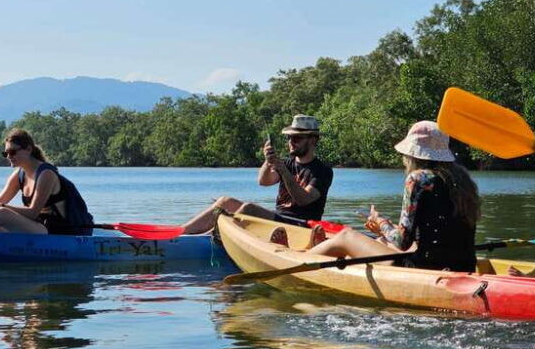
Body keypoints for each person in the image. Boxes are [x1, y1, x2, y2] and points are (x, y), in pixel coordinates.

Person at [306, 120, 480, 272]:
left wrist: (380, 221)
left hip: (425, 269)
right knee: (382, 241)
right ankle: (320, 250)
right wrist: (384, 230)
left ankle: (304, 257)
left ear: (412, 155)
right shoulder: (462, 180)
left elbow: (402, 242)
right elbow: (433, 233)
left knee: (346, 236)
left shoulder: (418, 179)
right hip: (464, 266)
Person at [182, 114, 333, 234]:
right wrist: (268, 161)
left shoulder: (323, 170)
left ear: (313, 140)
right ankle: (182, 232)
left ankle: (212, 236)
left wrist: (283, 171)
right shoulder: (288, 163)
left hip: (301, 225)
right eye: (289, 137)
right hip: (278, 217)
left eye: (297, 138)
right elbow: (264, 181)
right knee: (224, 201)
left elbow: (303, 199)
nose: (291, 142)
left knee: (249, 209)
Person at [0, 128, 94, 235]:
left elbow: (33, 213)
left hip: (58, 231)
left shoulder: (46, 174)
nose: (9, 156)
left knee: (2, 212)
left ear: (28, 149)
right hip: (37, 226)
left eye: (13, 152)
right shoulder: (18, 175)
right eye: (6, 153)